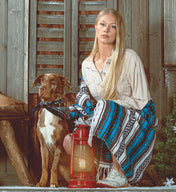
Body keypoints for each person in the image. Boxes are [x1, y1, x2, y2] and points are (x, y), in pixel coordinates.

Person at [63, 8, 158, 188]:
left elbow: (143, 101)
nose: (106, 30)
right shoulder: (87, 65)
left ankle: (119, 173)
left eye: (112, 26)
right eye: (103, 24)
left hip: (135, 120)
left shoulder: (129, 58)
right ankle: (93, 173)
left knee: (108, 107)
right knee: (70, 140)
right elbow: (87, 100)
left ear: (118, 32)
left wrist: (109, 106)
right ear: (96, 28)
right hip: (103, 117)